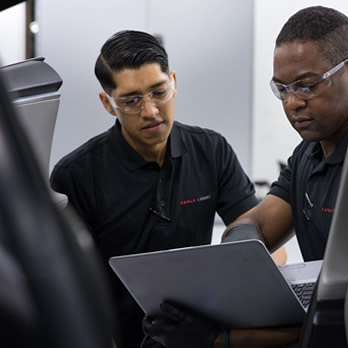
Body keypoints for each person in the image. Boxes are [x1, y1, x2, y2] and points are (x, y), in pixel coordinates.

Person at [142, 5, 348, 347]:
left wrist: (223, 341)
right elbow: (256, 224)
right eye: (282, 89)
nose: (292, 103)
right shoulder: (308, 154)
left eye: (306, 86)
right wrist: (233, 264)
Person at [49, 30, 285, 348]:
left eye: (159, 92)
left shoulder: (211, 150)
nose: (150, 111)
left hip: (199, 335)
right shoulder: (76, 175)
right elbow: (70, 291)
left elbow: (267, 246)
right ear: (107, 104)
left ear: (173, 81)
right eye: (131, 101)